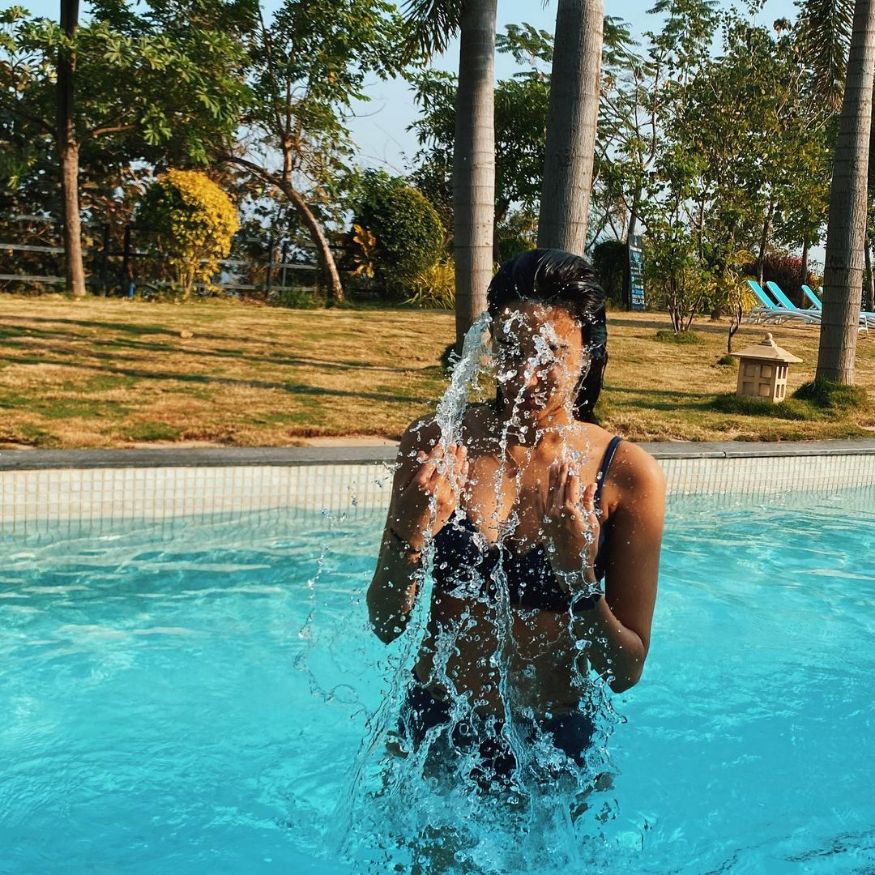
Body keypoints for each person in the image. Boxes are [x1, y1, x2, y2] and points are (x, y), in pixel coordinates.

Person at [367, 249, 665, 788]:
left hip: (552, 743)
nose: (525, 376)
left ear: (587, 352)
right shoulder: (437, 444)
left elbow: (624, 673)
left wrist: (577, 578)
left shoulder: (625, 474)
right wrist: (406, 533)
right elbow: (386, 623)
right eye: (509, 349)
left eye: (549, 353)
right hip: (436, 727)